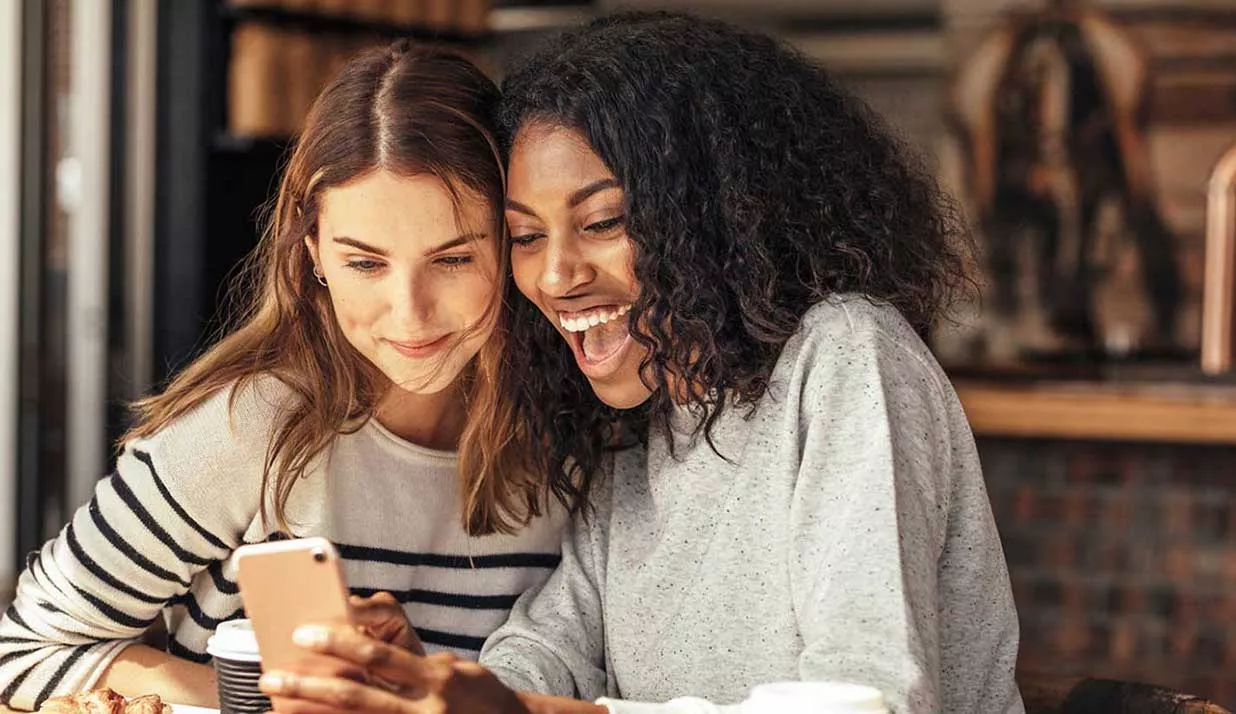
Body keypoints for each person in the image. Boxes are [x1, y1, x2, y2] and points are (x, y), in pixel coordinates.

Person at [259, 13, 1025, 714]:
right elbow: (551, 647)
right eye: (526, 237)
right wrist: (425, 685)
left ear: (719, 214)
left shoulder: (845, 357)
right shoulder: (639, 421)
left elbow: (866, 698)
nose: (556, 276)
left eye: (602, 222)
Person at [0, 42, 568, 712]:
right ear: (315, 258)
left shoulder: (573, 444)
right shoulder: (251, 430)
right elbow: (23, 650)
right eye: (365, 263)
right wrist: (244, 697)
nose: (409, 313)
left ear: (513, 244)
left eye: (451, 259)